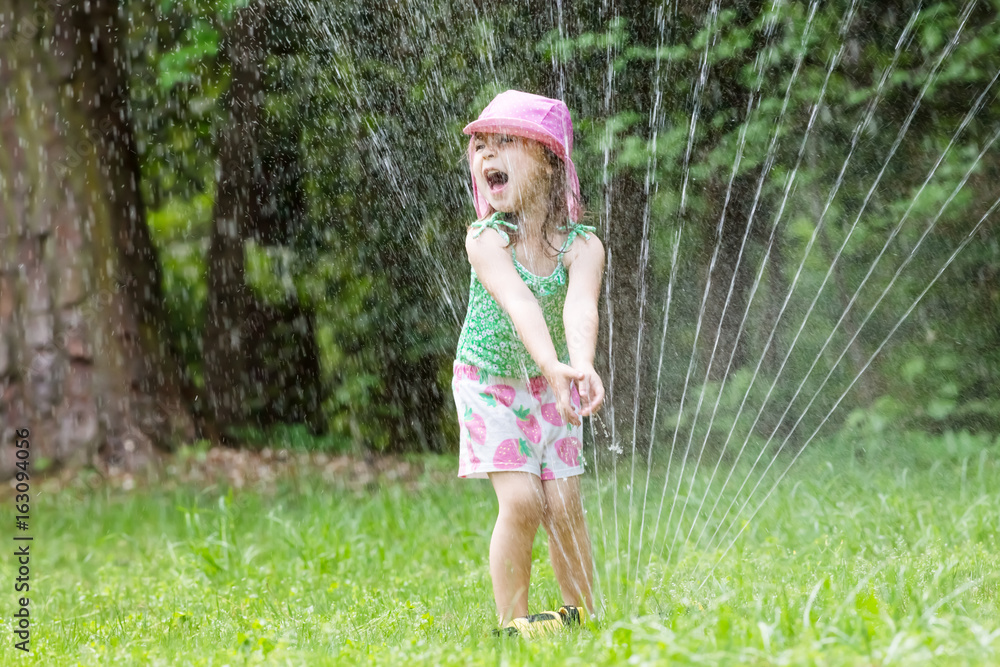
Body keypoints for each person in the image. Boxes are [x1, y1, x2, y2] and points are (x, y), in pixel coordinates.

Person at [452, 89, 606, 637]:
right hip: (489, 383)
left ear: (548, 159)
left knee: (564, 504)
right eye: (481, 146)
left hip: (552, 386)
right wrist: (551, 363)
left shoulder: (582, 246)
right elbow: (520, 305)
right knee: (521, 501)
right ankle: (512, 623)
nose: (488, 155)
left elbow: (579, 307)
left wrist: (579, 366)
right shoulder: (486, 240)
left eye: (506, 142)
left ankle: (581, 615)